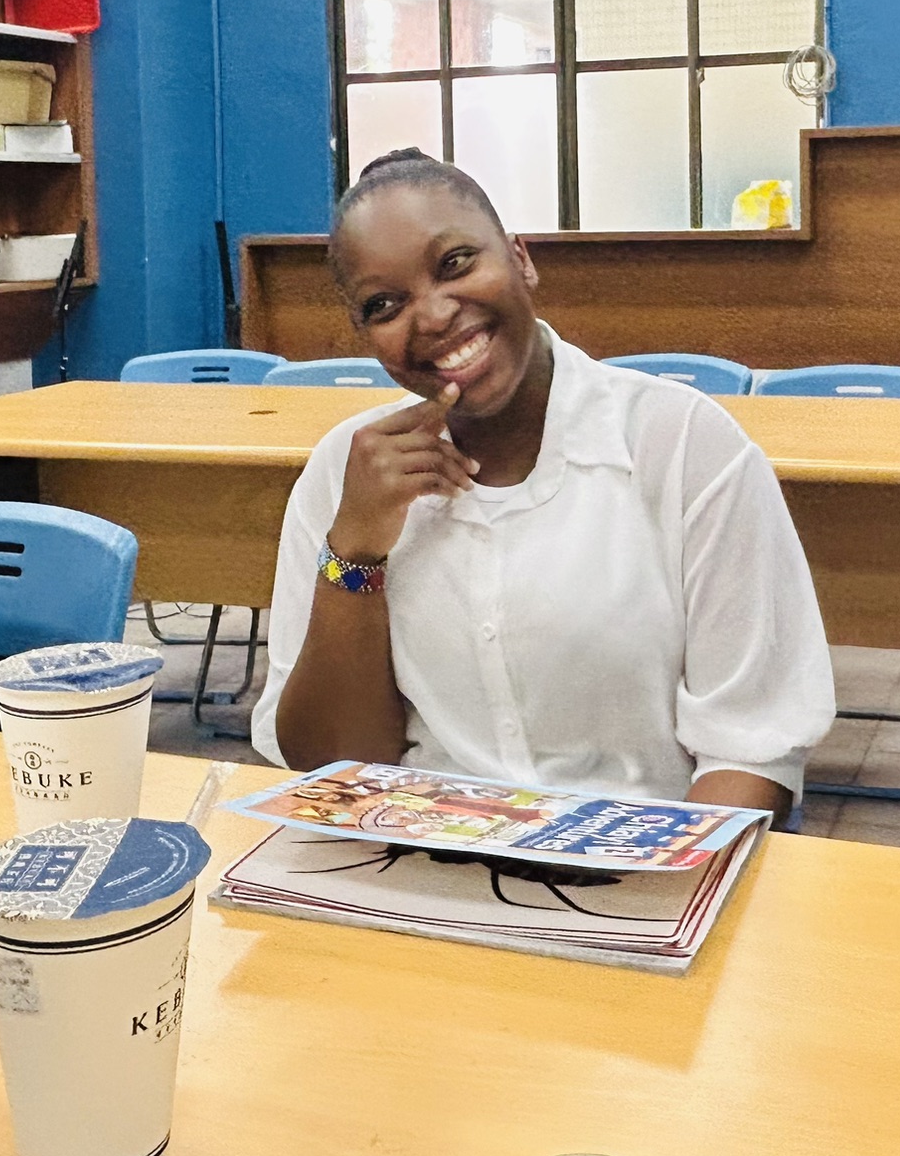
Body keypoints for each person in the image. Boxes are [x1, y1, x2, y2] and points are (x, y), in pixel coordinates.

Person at [250, 149, 835, 824]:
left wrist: (659, 887)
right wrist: (355, 553)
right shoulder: (344, 475)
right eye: (385, 304)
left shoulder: (683, 445)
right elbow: (334, 769)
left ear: (521, 259)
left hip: (647, 863)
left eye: (455, 264)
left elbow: (750, 749)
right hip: (420, 861)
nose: (434, 315)